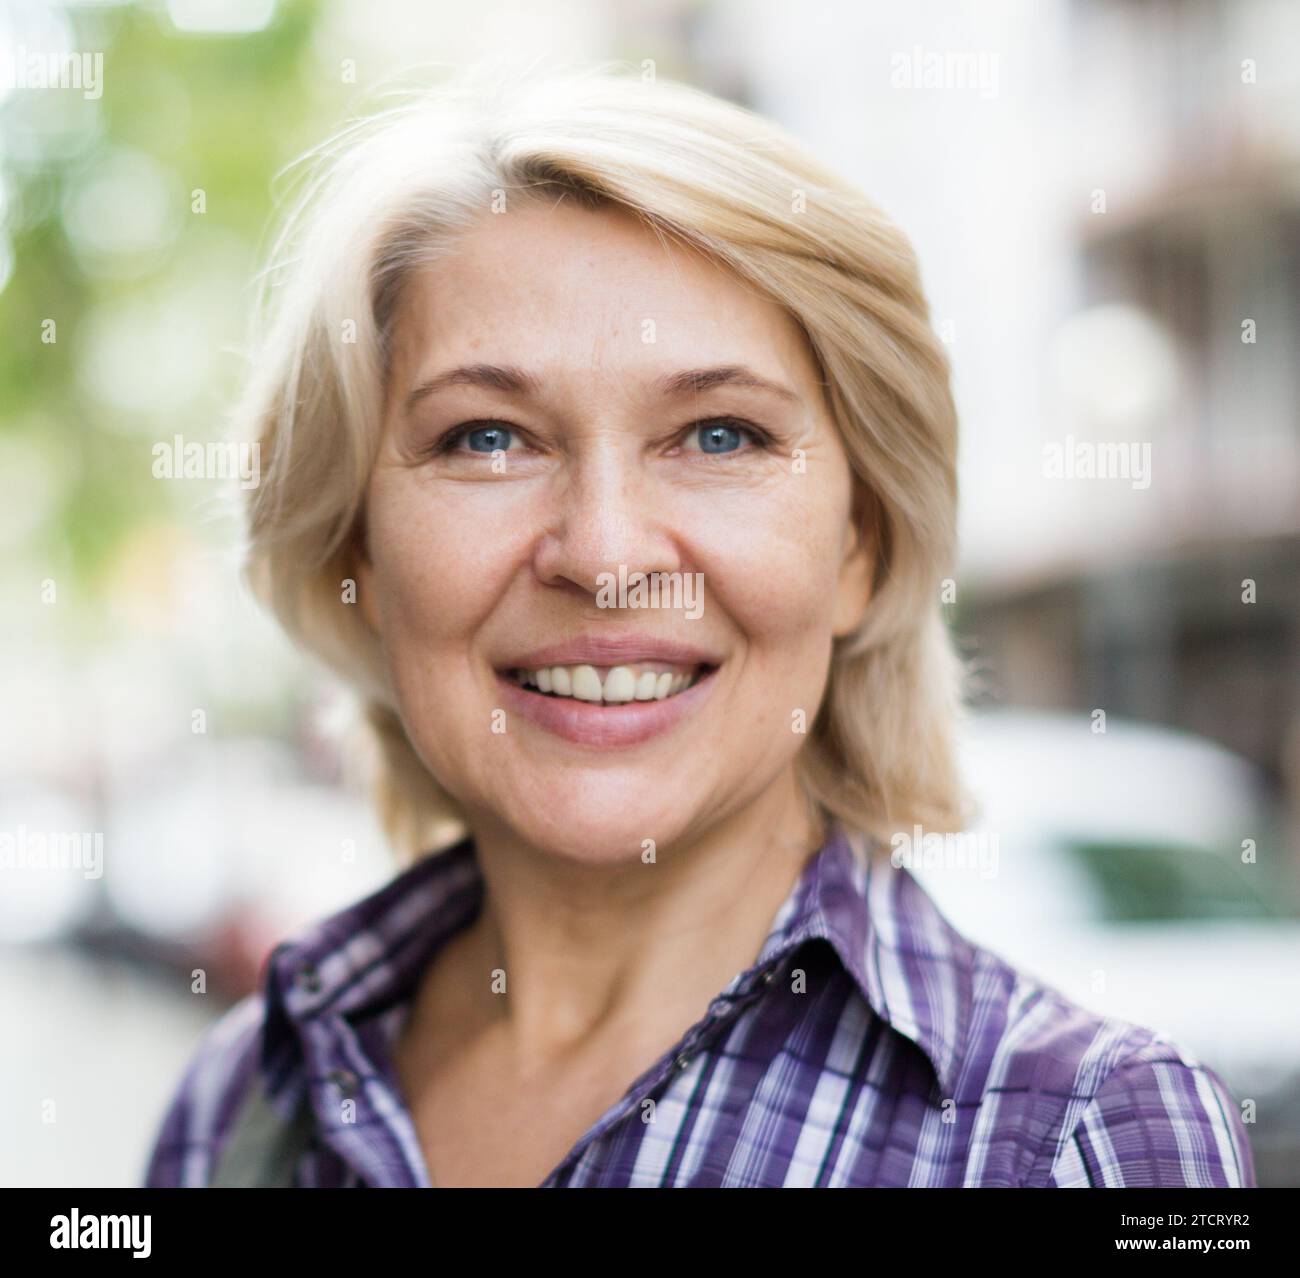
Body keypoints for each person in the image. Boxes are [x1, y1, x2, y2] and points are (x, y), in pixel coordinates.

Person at [142, 60, 1254, 1188]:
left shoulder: (1080, 1140)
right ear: (360, 557)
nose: (608, 556)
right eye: (487, 438)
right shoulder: (241, 1104)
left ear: (857, 548)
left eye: (719, 436)